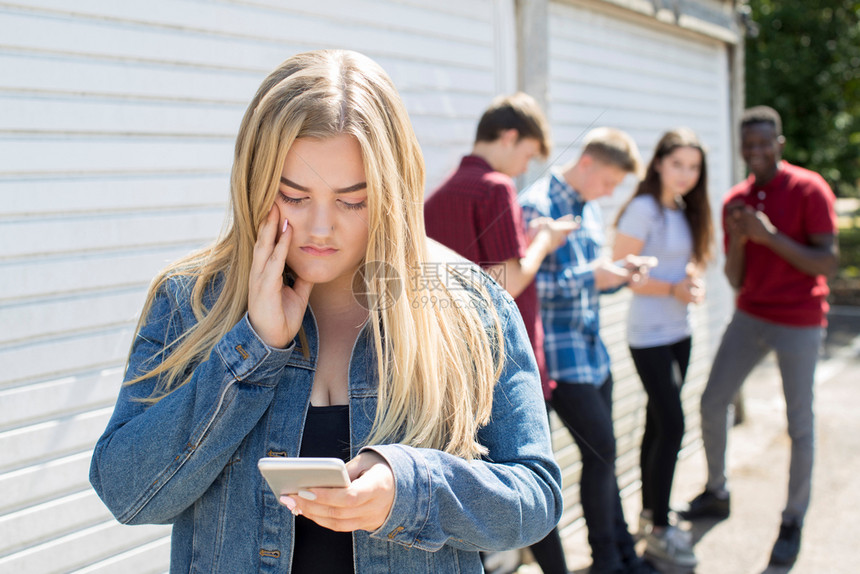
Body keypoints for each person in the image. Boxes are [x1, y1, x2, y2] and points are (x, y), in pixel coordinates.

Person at [89, 49, 563, 574]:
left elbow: (534, 501)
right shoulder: (191, 300)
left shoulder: (466, 306)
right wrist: (250, 351)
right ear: (254, 184)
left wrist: (409, 489)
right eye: (293, 196)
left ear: (393, 194)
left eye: (352, 201)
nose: (319, 227)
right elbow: (128, 495)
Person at [679, 106, 838, 567]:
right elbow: (735, 278)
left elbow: (827, 261)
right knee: (713, 401)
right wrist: (743, 240)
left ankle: (792, 520)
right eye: (749, 145)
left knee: (799, 425)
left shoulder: (810, 188)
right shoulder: (736, 201)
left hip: (800, 320)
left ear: (780, 144)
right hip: (750, 316)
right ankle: (717, 490)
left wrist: (769, 237)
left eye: (765, 144)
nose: (757, 152)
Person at [424, 93, 576, 574]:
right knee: (530, 482)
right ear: (510, 137)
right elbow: (510, 278)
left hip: (450, 363)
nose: (524, 166)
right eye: (528, 153)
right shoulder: (495, 187)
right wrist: (546, 240)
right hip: (503, 363)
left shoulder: (440, 193)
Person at [520, 128, 657, 574]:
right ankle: (607, 561)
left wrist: (618, 275)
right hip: (560, 361)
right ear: (587, 164)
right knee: (602, 454)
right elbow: (524, 288)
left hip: (593, 356)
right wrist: (593, 277)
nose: (611, 192)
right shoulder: (535, 207)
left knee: (605, 458)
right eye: (609, 181)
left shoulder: (590, 209)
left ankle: (619, 555)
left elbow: (588, 284)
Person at [612, 128, 714, 570]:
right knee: (673, 425)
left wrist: (690, 280)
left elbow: (684, 260)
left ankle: (651, 513)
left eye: (694, 167)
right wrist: (673, 288)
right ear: (658, 164)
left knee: (659, 423)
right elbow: (621, 271)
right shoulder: (643, 208)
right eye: (678, 164)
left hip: (680, 331)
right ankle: (659, 529)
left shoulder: (681, 207)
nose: (686, 174)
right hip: (649, 335)